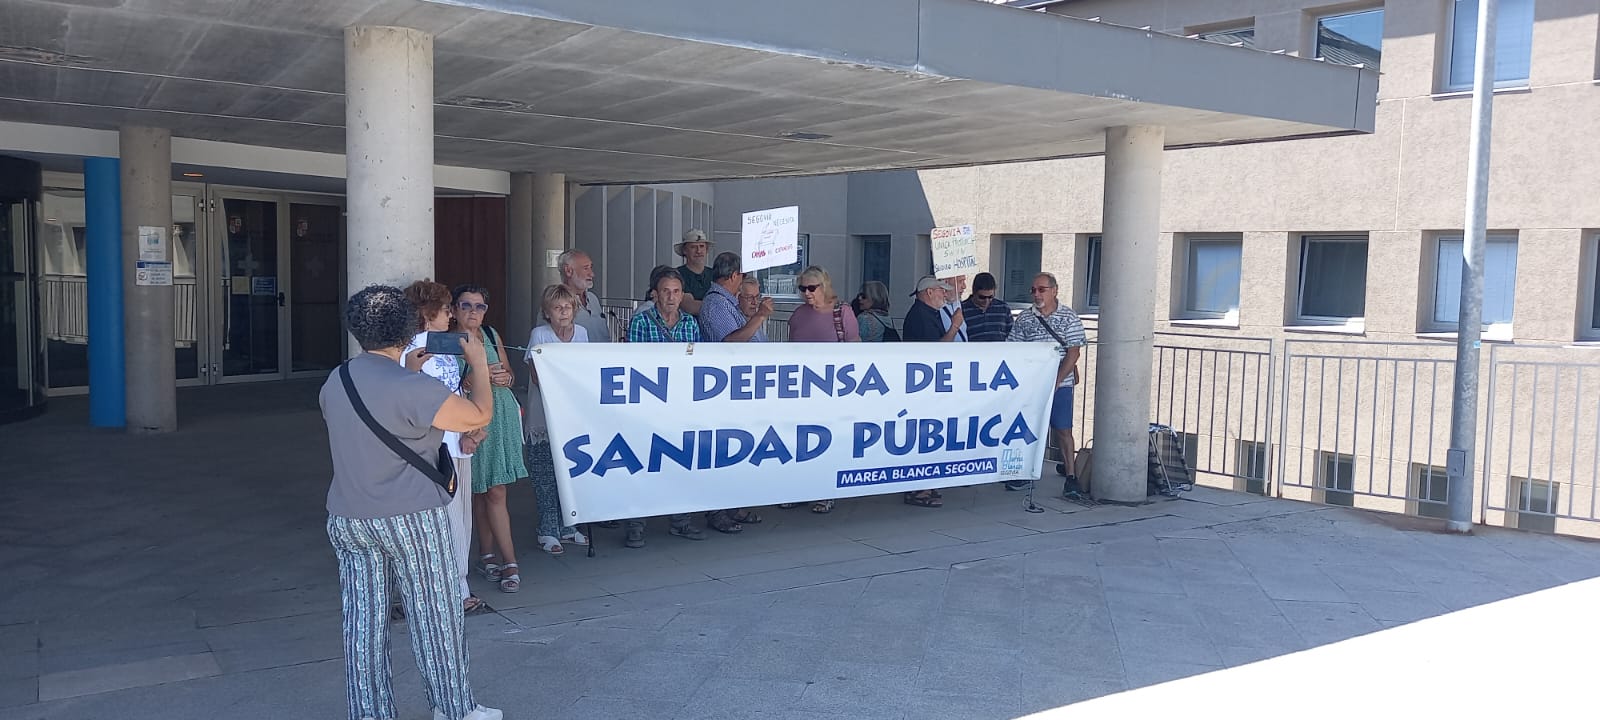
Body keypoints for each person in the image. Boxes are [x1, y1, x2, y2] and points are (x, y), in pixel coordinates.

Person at [320, 284, 501, 720]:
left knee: (363, 625)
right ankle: (455, 709)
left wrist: (406, 370)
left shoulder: (336, 379)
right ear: (408, 328)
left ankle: (370, 712)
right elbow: (477, 415)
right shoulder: (413, 388)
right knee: (436, 618)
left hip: (349, 517)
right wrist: (477, 362)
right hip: (413, 517)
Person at [401, 280, 489, 616]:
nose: (451, 314)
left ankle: (453, 586)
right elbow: (438, 399)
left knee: (454, 520)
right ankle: (455, 589)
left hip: (451, 442)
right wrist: (470, 425)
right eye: (446, 308)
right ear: (429, 312)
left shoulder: (428, 346)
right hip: (443, 448)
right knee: (454, 521)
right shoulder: (425, 349)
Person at [622, 267, 706, 547]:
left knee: (681, 463)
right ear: (655, 295)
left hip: (680, 406)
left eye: (676, 292)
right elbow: (636, 364)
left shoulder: (690, 325)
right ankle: (636, 524)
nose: (671, 297)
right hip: (648, 405)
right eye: (666, 291)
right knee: (642, 464)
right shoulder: (641, 322)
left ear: (683, 295)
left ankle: (680, 521)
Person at [454, 285, 528, 593]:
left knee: (496, 490)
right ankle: (487, 555)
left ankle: (509, 560)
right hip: (468, 417)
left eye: (480, 306)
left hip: (500, 416)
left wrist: (505, 378)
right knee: (478, 491)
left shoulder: (491, 334)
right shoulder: (446, 339)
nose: (473, 311)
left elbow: (510, 374)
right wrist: (468, 380)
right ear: (454, 309)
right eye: (466, 305)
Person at [696, 252, 774, 533]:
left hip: (745, 389)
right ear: (733, 276)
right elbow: (731, 342)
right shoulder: (716, 304)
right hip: (726, 389)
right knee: (724, 451)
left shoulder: (730, 305)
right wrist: (761, 316)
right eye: (740, 277)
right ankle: (718, 510)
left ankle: (734, 505)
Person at [1007, 272, 1088, 498]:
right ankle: (1024, 472)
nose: (1036, 294)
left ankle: (1071, 476)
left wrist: (1056, 381)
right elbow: (1013, 349)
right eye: (1033, 290)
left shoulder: (1069, 317)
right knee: (1028, 428)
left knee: (1063, 429)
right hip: (1032, 386)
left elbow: (1073, 353)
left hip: (1060, 385)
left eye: (1041, 289)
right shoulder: (1024, 318)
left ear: (1054, 290)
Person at [786, 265, 858, 513]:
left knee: (827, 441)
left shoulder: (842, 312)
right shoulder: (798, 315)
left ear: (823, 286)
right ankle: (797, 489)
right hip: (802, 390)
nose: (807, 293)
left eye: (812, 288)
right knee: (799, 441)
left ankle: (824, 491)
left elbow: (855, 349)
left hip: (833, 390)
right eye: (802, 288)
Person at [525, 284, 590, 556]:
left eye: (567, 307)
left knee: (570, 472)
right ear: (547, 312)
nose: (563, 312)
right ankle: (548, 530)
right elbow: (536, 374)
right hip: (544, 412)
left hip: (573, 414)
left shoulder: (582, 334)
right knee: (545, 474)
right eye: (557, 307)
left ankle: (568, 526)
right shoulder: (539, 335)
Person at [543, 249, 612, 342]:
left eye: (591, 267)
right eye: (586, 268)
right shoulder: (553, 301)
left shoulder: (593, 299)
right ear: (568, 271)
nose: (592, 274)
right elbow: (545, 341)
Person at [903, 275, 960, 344]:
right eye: (943, 290)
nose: (945, 295)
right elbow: (936, 349)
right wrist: (955, 326)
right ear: (930, 292)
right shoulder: (921, 316)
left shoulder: (926, 312)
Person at [961, 272, 1013, 342]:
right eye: (982, 297)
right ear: (974, 292)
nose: (986, 301)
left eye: (990, 297)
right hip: (973, 352)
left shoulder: (1003, 308)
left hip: (999, 352)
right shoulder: (962, 309)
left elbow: (1012, 335)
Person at [674, 229, 715, 316]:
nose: (698, 251)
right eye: (693, 247)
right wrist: (721, 308)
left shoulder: (714, 274)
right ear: (685, 250)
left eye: (701, 246)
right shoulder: (677, 275)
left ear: (706, 250)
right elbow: (689, 306)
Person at [737, 277, 771, 342]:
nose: (755, 302)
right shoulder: (735, 319)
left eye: (757, 296)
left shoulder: (756, 317)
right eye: (749, 297)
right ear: (738, 297)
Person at [941, 274, 969, 342]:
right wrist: (955, 325)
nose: (964, 286)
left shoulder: (957, 303)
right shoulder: (936, 307)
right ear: (946, 282)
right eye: (960, 281)